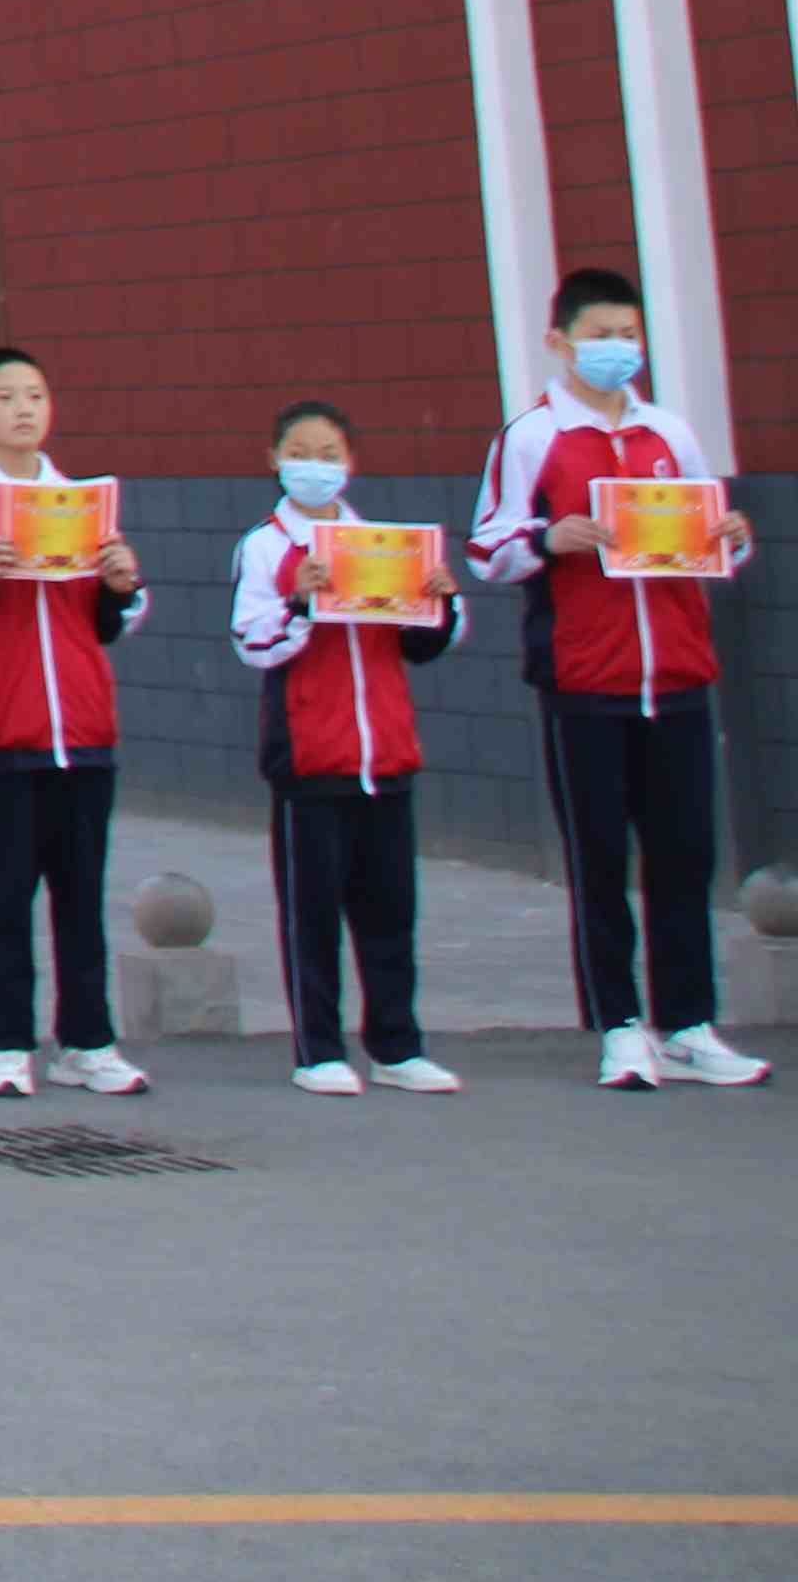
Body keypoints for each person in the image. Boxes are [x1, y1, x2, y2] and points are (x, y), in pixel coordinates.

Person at [472, 268, 765, 1089]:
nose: (617, 350)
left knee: (684, 855)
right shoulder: (532, 437)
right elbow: (489, 547)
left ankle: (690, 1022)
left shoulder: (669, 431)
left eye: (628, 335)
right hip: (586, 678)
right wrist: (549, 536)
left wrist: (730, 533)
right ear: (559, 342)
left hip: (675, 671)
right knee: (600, 858)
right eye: (599, 335)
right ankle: (619, 1024)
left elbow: (709, 535)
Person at [0, 340, 151, 1098]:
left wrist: (119, 583)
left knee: (82, 896)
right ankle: (8, 1044)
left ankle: (88, 1041)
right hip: (3, 733)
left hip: (82, 730)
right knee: (6, 895)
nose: (24, 410)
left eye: (36, 397)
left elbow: (117, 621)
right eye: (7, 398)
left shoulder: (82, 502)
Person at [235, 395, 467, 1098]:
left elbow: (424, 646)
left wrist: (440, 599)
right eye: (301, 452)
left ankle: (397, 1044)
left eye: (330, 454)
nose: (316, 466)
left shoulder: (383, 544)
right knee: (314, 913)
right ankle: (319, 1050)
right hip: (312, 757)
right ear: (274, 460)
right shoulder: (268, 545)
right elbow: (253, 642)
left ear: (352, 465)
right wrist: (299, 602)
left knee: (391, 909)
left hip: (386, 755)